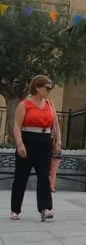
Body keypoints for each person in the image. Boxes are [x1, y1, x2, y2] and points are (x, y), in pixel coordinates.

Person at [10, 75, 61, 222]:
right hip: (28, 140)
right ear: (37, 88)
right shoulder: (24, 104)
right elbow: (17, 126)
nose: (48, 91)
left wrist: (58, 141)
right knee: (21, 177)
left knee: (44, 176)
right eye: (46, 88)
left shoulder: (50, 104)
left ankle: (45, 208)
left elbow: (56, 125)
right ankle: (15, 209)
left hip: (45, 141)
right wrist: (20, 144)